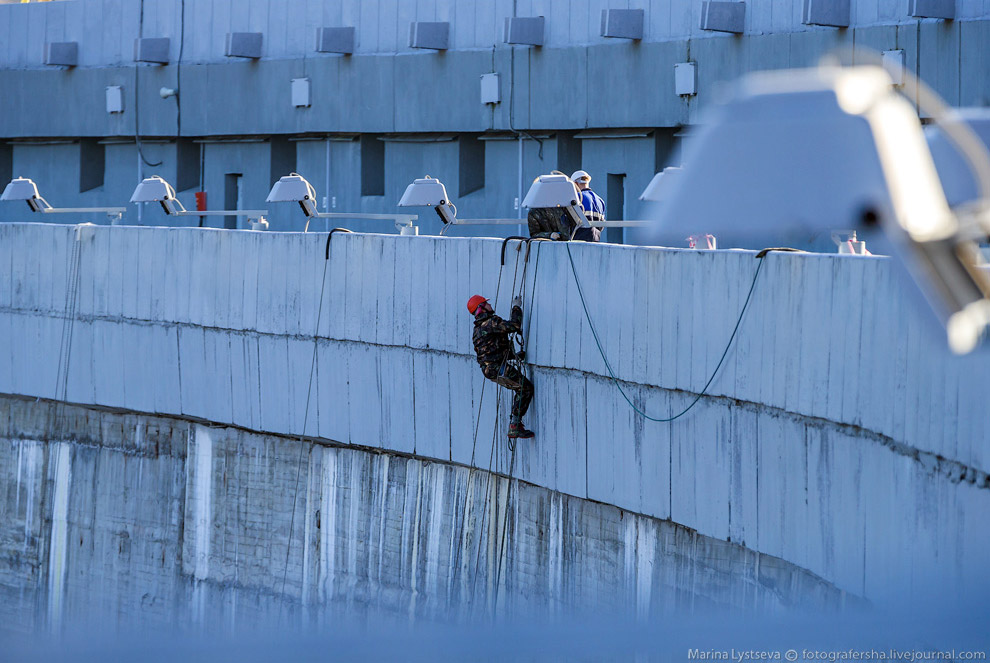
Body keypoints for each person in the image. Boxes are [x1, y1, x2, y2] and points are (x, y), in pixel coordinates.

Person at [467, 294, 535, 439]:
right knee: (525, 388)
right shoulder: (491, 322)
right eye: (486, 303)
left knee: (520, 387)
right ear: (482, 308)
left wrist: (514, 355)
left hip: (490, 369)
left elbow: (491, 350)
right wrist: (516, 307)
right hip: (497, 367)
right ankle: (515, 425)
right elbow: (514, 325)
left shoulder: (477, 329)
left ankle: (515, 424)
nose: (490, 305)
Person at [570, 170, 606, 242]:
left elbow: (568, 221)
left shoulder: (577, 197)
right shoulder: (600, 200)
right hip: (595, 241)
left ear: (575, 184)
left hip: (578, 241)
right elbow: (601, 226)